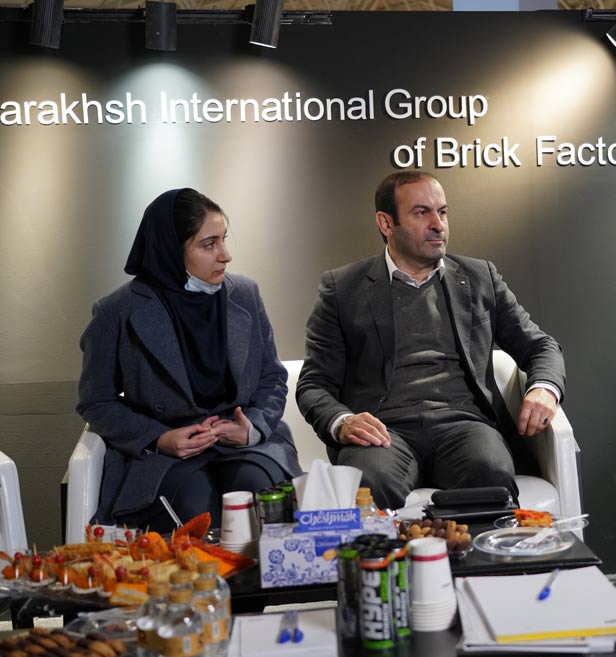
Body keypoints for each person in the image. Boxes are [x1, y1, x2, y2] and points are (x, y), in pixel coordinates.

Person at [296, 170, 565, 510]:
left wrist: (544, 388)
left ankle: (479, 548)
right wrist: (343, 422)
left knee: (490, 472)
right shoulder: (343, 289)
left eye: (443, 212)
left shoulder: (480, 277)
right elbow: (314, 384)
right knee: (367, 484)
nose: (438, 225)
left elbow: (541, 346)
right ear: (386, 223)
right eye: (422, 212)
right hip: (383, 431)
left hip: (465, 426)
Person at [77, 188, 302, 533]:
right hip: (166, 455)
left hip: (241, 444)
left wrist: (252, 428)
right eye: (209, 244)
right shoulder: (116, 311)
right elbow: (97, 402)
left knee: (259, 497)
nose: (225, 255)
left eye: (223, 240)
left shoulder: (244, 294)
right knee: (196, 513)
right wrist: (159, 438)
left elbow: (271, 377)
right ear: (170, 249)